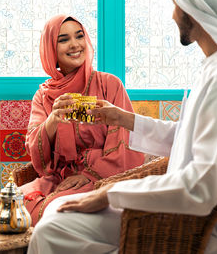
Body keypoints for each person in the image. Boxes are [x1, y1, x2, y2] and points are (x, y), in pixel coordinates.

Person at [27, 0, 217, 253]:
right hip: (181, 206)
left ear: (196, 11)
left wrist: (109, 192)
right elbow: (189, 136)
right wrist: (123, 118)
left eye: (175, 5)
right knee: (56, 213)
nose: (173, 16)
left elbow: (202, 187)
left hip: (200, 225)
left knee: (53, 229)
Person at [21, 15, 145, 226]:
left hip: (103, 177)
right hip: (59, 179)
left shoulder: (109, 85)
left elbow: (125, 144)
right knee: (12, 205)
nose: (75, 45)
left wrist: (89, 175)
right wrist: (53, 119)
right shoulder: (43, 96)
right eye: (63, 39)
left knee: (57, 214)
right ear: (51, 50)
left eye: (79, 36)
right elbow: (36, 151)